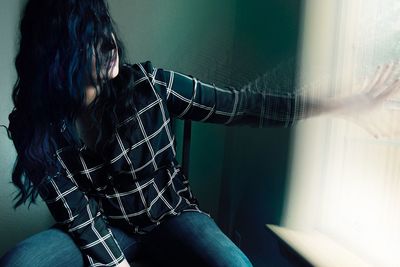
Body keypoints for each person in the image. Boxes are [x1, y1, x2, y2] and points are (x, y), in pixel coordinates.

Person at [0, 0, 399, 266]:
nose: (107, 42)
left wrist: (338, 104)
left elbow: (243, 105)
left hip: (172, 216)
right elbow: (76, 210)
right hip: (107, 227)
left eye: (103, 26)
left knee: (236, 265)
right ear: (55, 52)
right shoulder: (34, 124)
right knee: (20, 261)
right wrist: (115, 263)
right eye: (87, 35)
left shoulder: (150, 86)